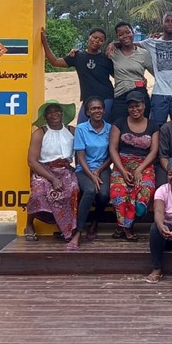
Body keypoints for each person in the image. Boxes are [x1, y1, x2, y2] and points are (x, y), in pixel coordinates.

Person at [25, 99, 78, 242]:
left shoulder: (71, 131)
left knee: (72, 189)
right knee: (38, 193)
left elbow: (80, 152)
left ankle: (66, 228)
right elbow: (32, 161)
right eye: (49, 112)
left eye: (56, 111)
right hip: (44, 170)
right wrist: (52, 179)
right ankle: (29, 224)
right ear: (45, 116)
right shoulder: (40, 133)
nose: (53, 114)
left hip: (65, 169)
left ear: (62, 113)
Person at [109, 90, 159, 240]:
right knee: (118, 193)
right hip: (122, 164)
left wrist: (140, 169)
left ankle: (122, 227)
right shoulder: (119, 123)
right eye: (131, 106)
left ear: (144, 106)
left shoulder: (153, 125)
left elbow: (154, 151)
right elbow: (113, 149)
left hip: (144, 165)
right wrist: (122, 171)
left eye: (138, 105)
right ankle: (127, 229)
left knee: (144, 193)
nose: (135, 109)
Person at [41, 27, 114, 124]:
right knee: (81, 127)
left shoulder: (107, 58)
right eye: (95, 37)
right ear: (89, 37)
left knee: (106, 128)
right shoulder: (77, 56)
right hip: (87, 99)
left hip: (106, 99)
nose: (97, 41)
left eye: (101, 40)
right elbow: (54, 62)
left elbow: (117, 76)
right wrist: (44, 42)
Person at [68, 97, 112, 251]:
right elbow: (80, 157)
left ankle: (95, 221)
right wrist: (92, 175)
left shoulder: (110, 129)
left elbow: (112, 154)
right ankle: (78, 232)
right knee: (90, 190)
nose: (97, 111)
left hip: (103, 168)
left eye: (99, 108)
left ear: (104, 110)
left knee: (104, 194)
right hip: (84, 169)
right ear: (87, 112)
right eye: (93, 108)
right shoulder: (81, 129)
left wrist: (99, 171)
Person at [107, 21, 153, 122]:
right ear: (117, 37)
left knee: (142, 125)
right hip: (120, 96)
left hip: (139, 93)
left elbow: (156, 73)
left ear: (133, 32)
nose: (125, 36)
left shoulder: (143, 54)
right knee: (118, 125)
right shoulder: (113, 53)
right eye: (121, 34)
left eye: (127, 32)